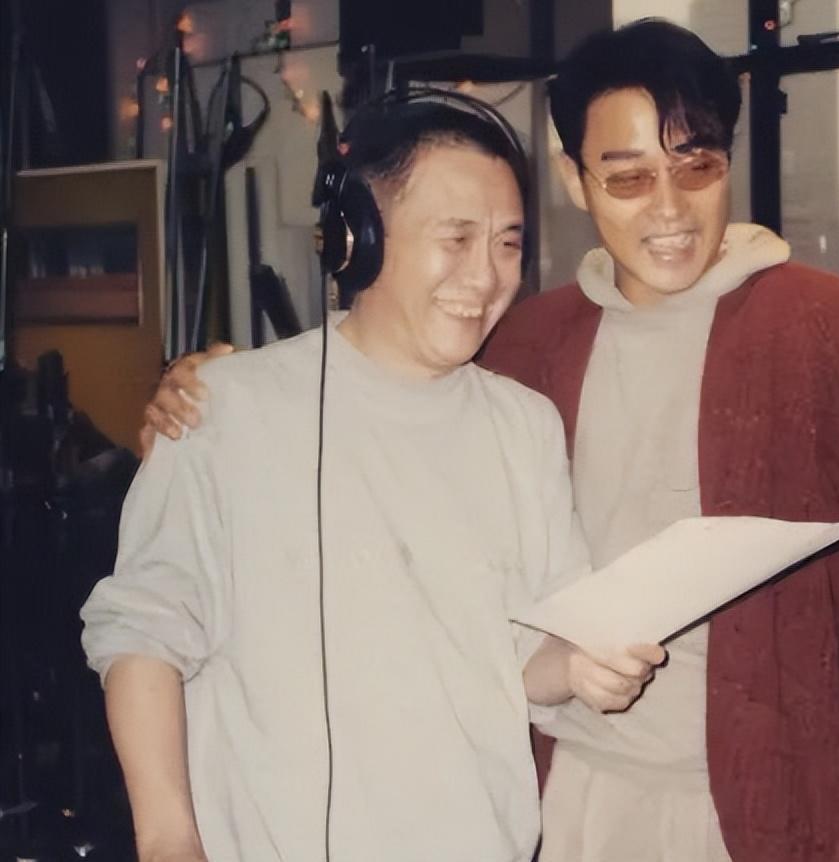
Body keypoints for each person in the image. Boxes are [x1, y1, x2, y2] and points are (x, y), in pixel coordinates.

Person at [141, 19, 839, 862]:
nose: (669, 208)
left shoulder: (826, 329)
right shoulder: (524, 343)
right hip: (565, 800)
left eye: (697, 167)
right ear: (574, 179)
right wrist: (198, 396)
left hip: (763, 814)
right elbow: (380, 403)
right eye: (628, 176)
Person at [81, 94, 663, 862]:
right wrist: (167, 840)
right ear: (358, 239)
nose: (485, 276)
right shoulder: (224, 409)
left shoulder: (525, 427)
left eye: (507, 243)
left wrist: (583, 667)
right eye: (455, 238)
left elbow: (525, 659)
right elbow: (142, 634)